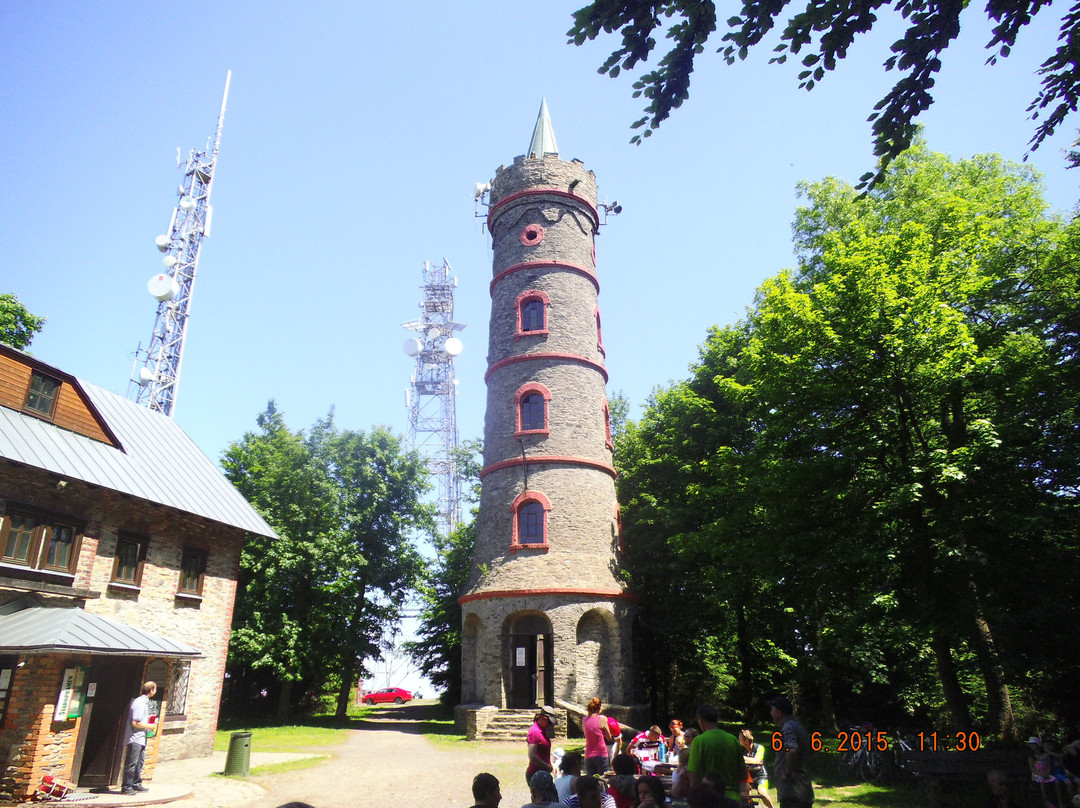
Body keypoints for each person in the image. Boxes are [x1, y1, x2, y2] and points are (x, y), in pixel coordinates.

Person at [687, 704, 749, 804]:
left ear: (700, 721)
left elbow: (692, 774)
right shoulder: (733, 740)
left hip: (708, 800)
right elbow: (743, 774)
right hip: (733, 799)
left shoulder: (698, 741)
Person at [769, 696, 814, 808]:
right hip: (801, 791)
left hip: (793, 793)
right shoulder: (797, 726)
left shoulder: (788, 728)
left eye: (772, 710)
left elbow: (792, 750)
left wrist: (787, 773)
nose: (770, 713)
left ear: (779, 713)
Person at [121, 681, 156, 795]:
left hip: (141, 737)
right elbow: (135, 723)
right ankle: (126, 787)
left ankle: (136, 783)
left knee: (139, 762)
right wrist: (149, 726)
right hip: (135, 737)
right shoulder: (139, 703)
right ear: (151, 690)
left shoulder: (144, 702)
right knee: (132, 762)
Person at [740, 728, 775, 808]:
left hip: (760, 776)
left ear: (746, 741)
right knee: (743, 794)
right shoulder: (741, 750)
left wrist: (744, 759)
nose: (739, 741)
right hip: (748, 777)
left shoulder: (759, 748)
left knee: (762, 793)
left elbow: (757, 760)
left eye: (740, 739)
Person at [527, 706, 558, 785]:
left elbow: (543, 753)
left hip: (543, 772)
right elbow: (532, 756)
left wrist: (551, 764)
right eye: (549, 722)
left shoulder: (542, 731)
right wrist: (547, 767)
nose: (550, 725)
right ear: (543, 718)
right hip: (535, 773)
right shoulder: (535, 732)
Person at [583, 697, 614, 776]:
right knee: (603, 780)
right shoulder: (602, 719)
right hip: (601, 753)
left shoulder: (585, 719)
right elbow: (609, 737)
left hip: (588, 754)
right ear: (599, 708)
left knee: (591, 781)